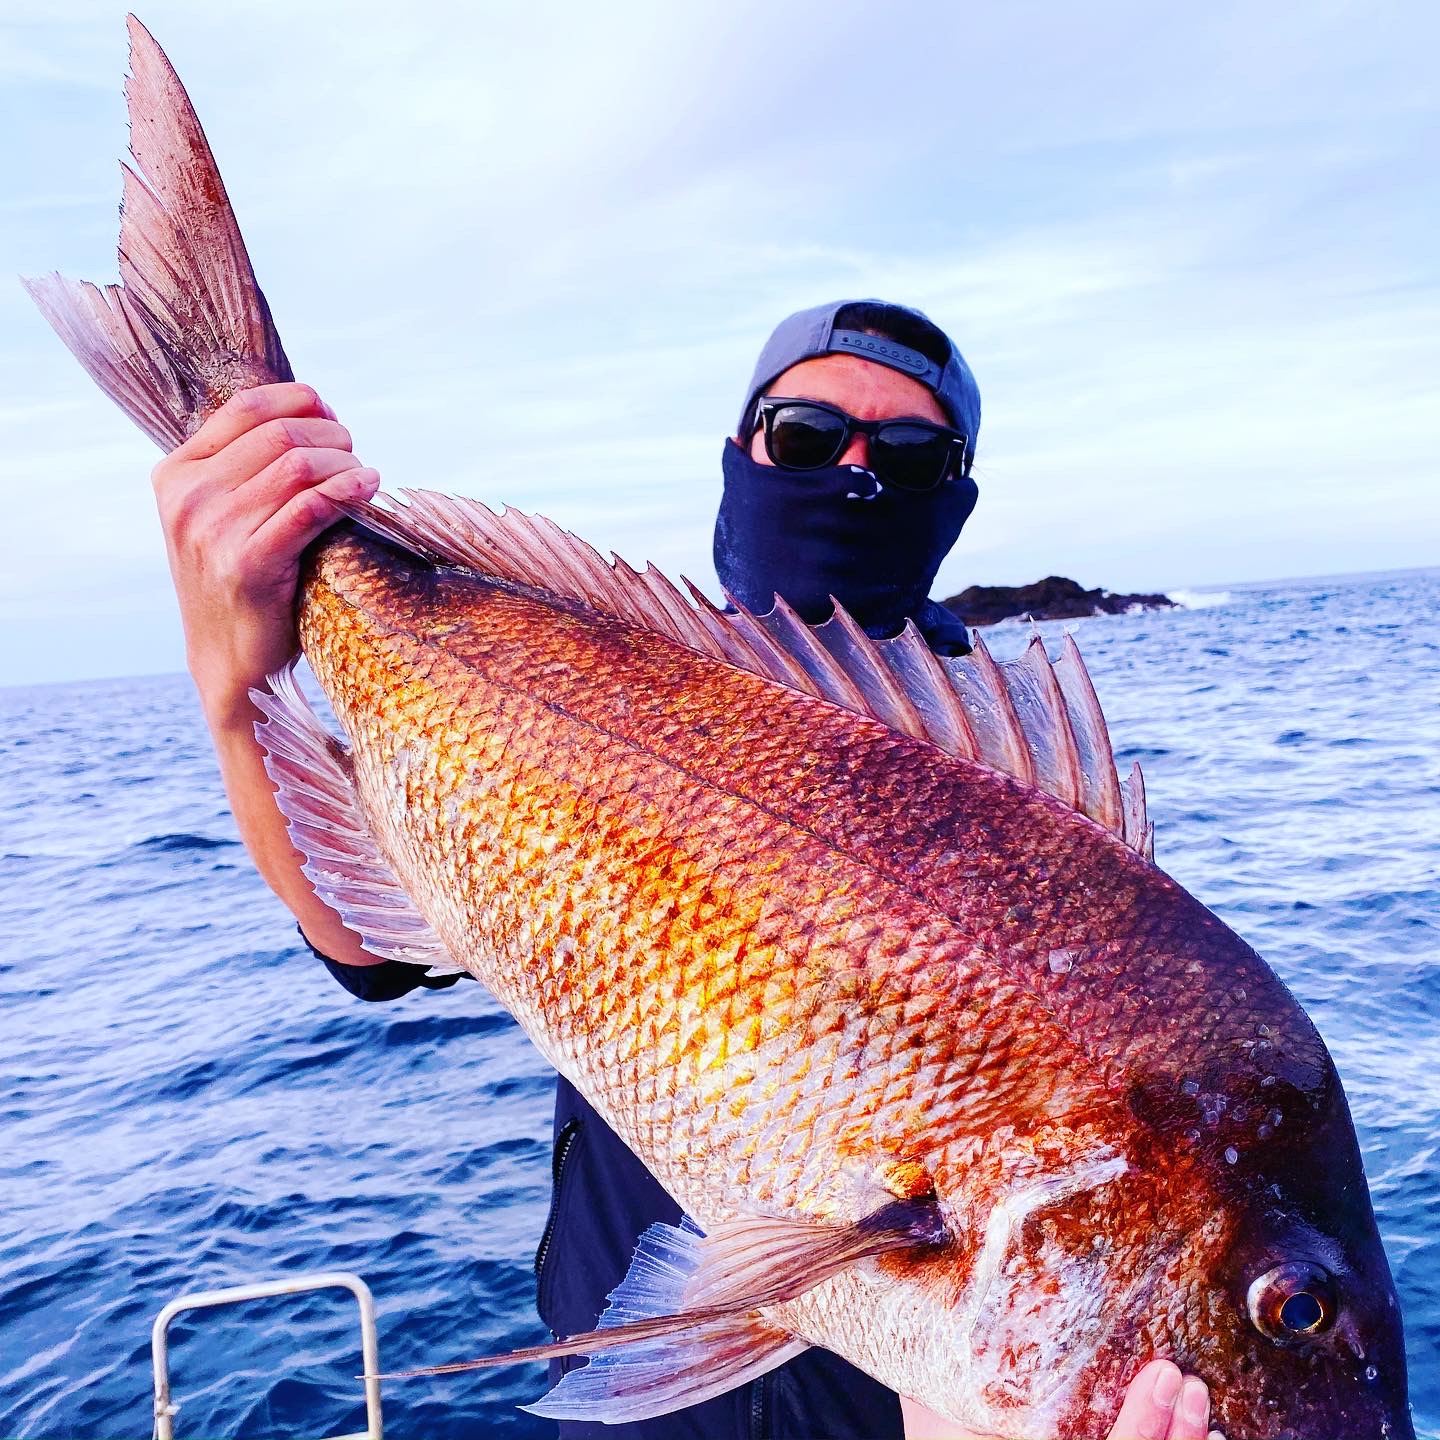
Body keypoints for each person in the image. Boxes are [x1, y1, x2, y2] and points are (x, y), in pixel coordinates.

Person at [150, 299, 1220, 1440]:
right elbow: (372, 951)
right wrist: (234, 684)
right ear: (742, 455)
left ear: (953, 501)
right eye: (808, 437)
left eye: (909, 456)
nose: (854, 478)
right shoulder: (619, 684)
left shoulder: (1026, 837)